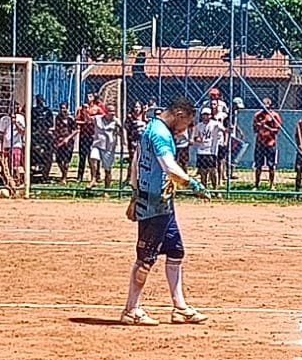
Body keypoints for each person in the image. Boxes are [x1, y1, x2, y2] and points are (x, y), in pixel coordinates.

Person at [121, 97, 210, 326]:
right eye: (186, 124)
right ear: (179, 115)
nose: (184, 130)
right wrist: (193, 184)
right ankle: (131, 310)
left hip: (162, 203)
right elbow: (169, 167)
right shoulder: (160, 134)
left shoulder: (152, 127)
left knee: (175, 251)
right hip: (154, 205)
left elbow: (136, 162)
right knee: (145, 259)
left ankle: (180, 308)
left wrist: (134, 192)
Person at [252, 97, 283, 189]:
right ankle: (256, 184)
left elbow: (276, 130)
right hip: (260, 143)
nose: (265, 107)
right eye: (263, 105)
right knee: (258, 165)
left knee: (271, 165)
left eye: (267, 105)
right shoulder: (258, 115)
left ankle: (271, 185)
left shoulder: (274, 115)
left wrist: (267, 127)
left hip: (270, 143)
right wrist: (259, 126)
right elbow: (255, 129)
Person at [89, 106, 122, 190]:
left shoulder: (116, 121)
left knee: (107, 170)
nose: (112, 113)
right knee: (93, 158)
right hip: (97, 145)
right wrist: (86, 110)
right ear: (106, 112)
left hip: (109, 148)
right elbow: (87, 119)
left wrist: (120, 128)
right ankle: (94, 178)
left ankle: (107, 189)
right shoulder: (98, 118)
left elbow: (121, 133)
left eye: (114, 111)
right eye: (110, 111)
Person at [191, 107, 224, 190]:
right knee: (203, 171)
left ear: (210, 115)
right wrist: (198, 139)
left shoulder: (215, 124)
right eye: (204, 115)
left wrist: (227, 131)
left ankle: (215, 189)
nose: (205, 116)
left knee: (212, 170)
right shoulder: (199, 126)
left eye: (207, 114)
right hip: (201, 151)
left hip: (211, 151)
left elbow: (223, 129)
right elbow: (195, 137)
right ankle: (204, 189)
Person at [0, 104, 27, 185]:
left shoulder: (20, 118)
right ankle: (8, 181)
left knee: (15, 165)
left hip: (16, 144)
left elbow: (22, 131)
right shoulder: (4, 119)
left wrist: (15, 123)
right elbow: (1, 134)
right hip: (6, 145)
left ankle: (17, 180)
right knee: (6, 165)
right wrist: (1, 146)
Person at [51, 103, 77, 184]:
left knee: (66, 161)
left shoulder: (70, 119)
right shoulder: (58, 118)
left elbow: (76, 130)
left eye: (64, 108)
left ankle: (64, 178)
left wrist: (68, 138)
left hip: (68, 143)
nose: (63, 110)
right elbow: (56, 129)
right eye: (62, 108)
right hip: (59, 140)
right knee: (58, 160)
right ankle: (63, 173)